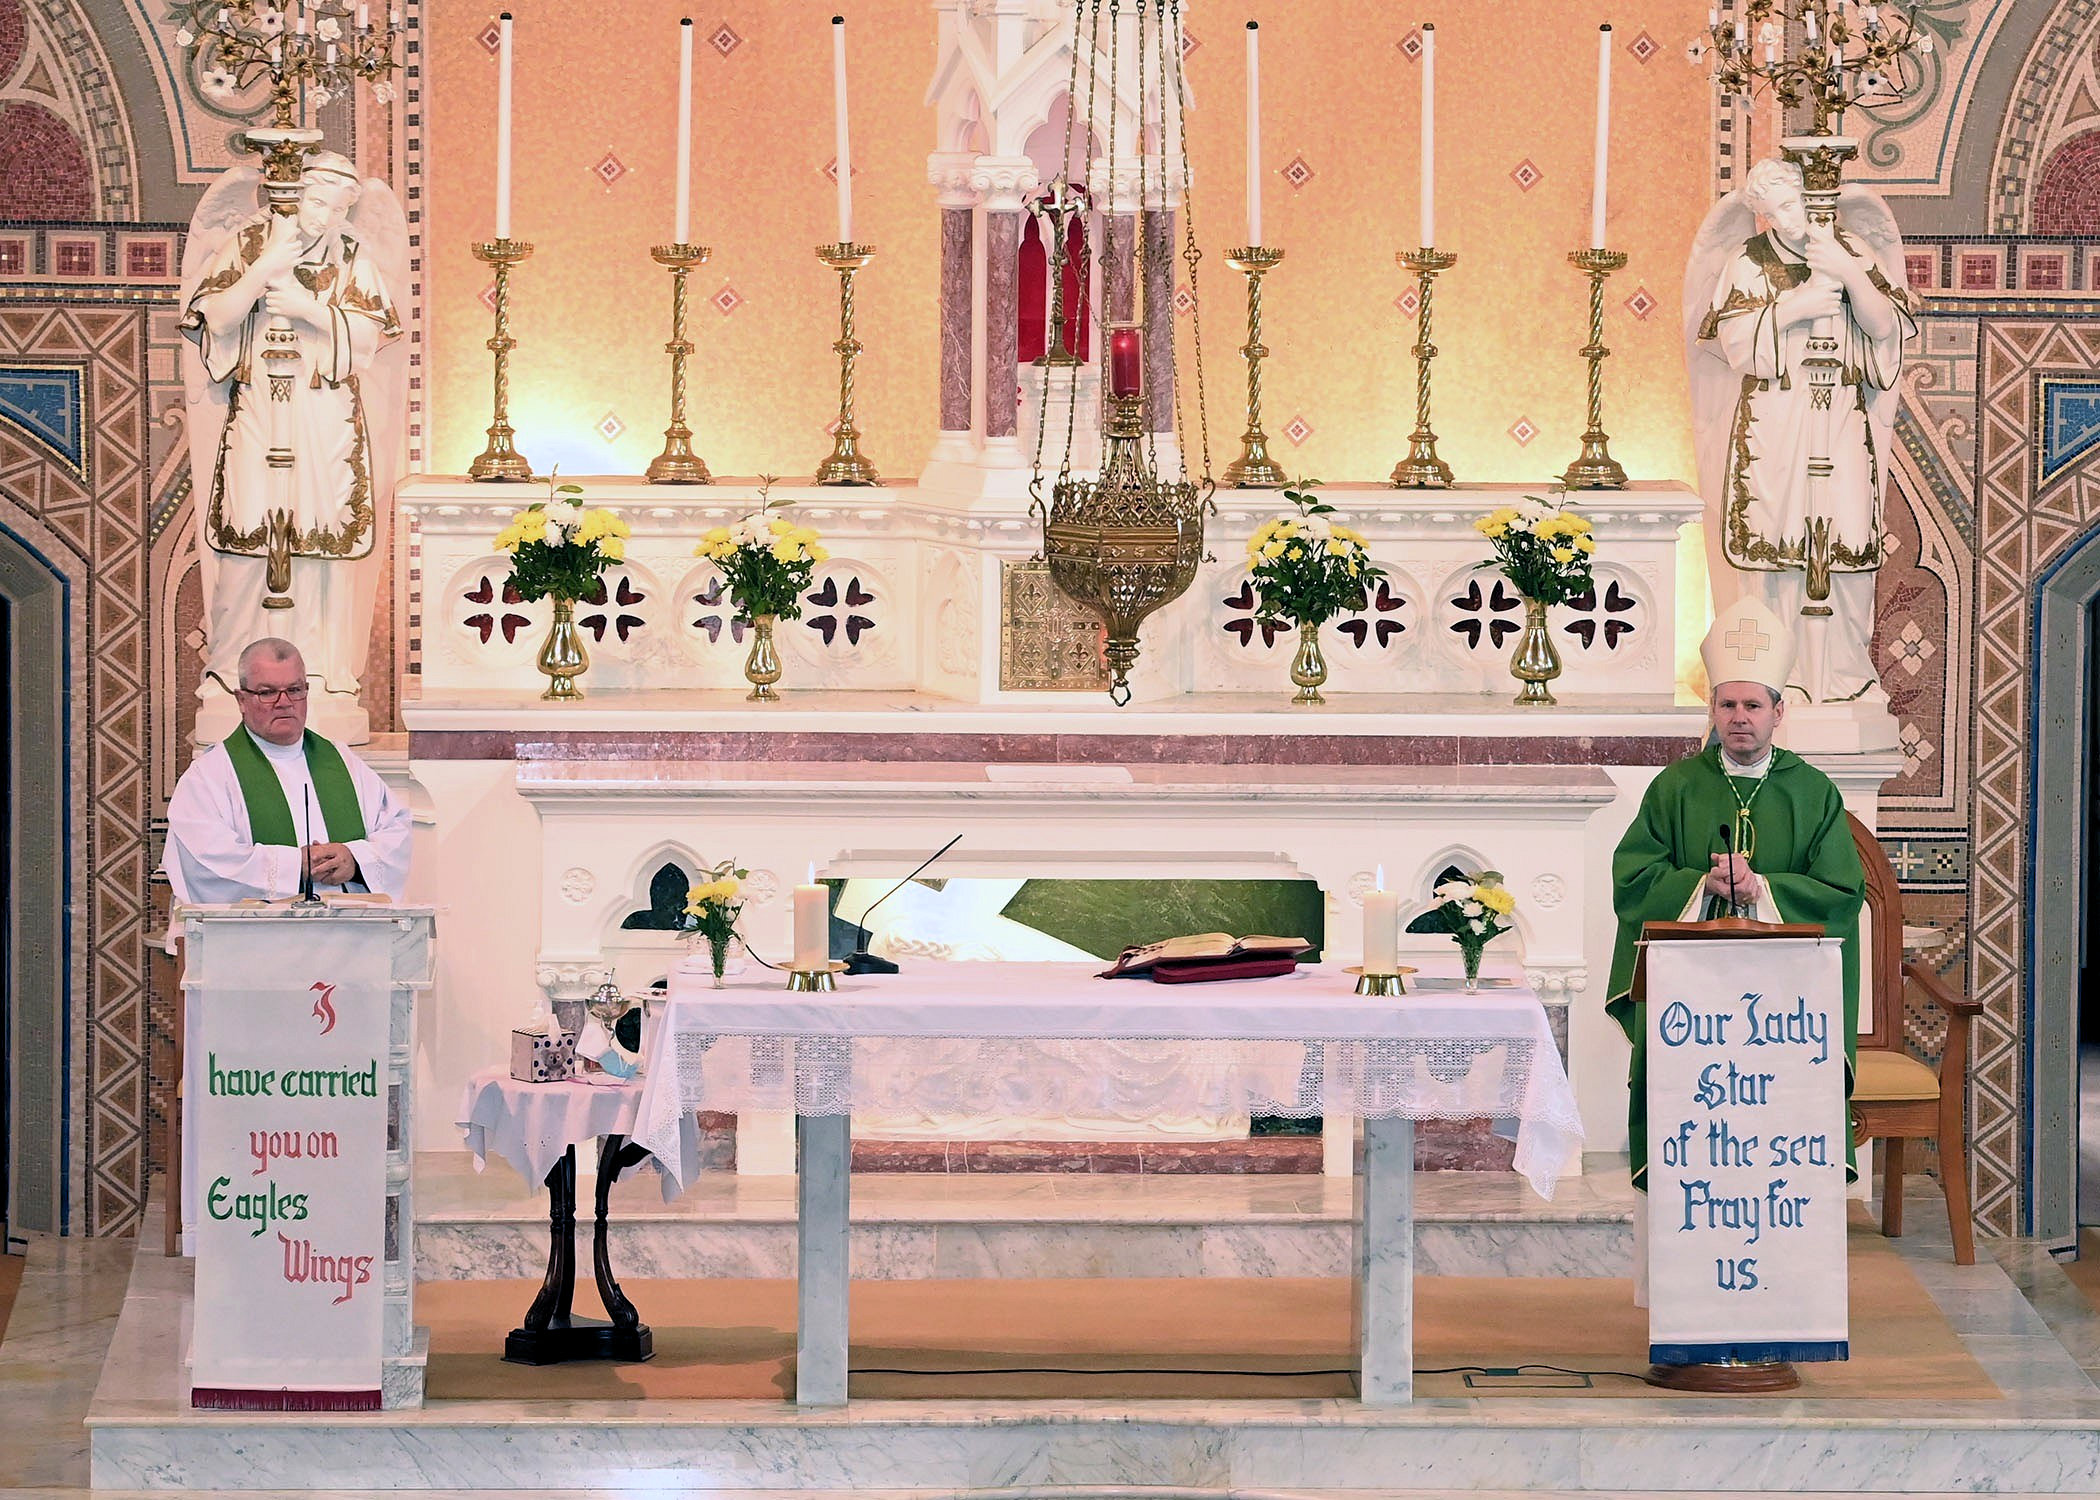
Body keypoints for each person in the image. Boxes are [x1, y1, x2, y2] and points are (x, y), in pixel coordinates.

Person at [1605, 595, 1867, 1195]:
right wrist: (1701, 884)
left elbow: (1841, 892)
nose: (1740, 716)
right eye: (1728, 704)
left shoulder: (1813, 792)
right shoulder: (1676, 787)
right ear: (1713, 710)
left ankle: (1777, 1204)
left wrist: (1762, 888)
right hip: (1692, 999)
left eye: (1753, 704)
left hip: (1784, 1003)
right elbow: (1633, 879)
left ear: (1780, 712)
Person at [180, 151, 402, 713]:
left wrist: (308, 309)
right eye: (317, 202)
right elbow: (214, 319)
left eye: (338, 207)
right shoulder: (253, 243)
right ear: (295, 195)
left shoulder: (350, 254)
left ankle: (323, 670)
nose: (325, 217)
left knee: (321, 535)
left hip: (322, 413)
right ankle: (231, 668)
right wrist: (261, 272)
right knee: (248, 531)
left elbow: (373, 335)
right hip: (258, 407)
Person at [1690, 155, 1915, 704]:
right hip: (1775, 424)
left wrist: (1846, 272)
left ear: (1814, 200)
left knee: (1847, 539)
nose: (1787, 221)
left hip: (1838, 419)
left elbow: (1887, 329)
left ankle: (1842, 673)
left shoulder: (1851, 252)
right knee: (1776, 545)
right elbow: (1730, 342)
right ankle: (1776, 677)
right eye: (1772, 213)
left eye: (1792, 205)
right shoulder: (1750, 260)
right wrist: (1795, 306)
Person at [163, 637, 412, 904]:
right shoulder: (209, 775)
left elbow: (396, 830)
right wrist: (296, 867)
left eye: (294, 689)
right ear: (242, 699)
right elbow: (203, 862)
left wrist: (354, 858)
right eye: (268, 692)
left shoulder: (342, 761)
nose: (284, 702)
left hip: (345, 934)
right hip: (256, 940)